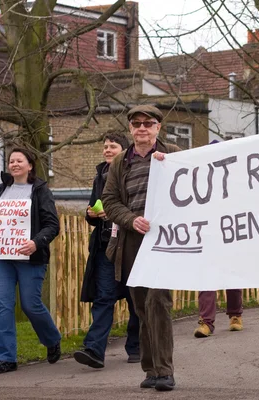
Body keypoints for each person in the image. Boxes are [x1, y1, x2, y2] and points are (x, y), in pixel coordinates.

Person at [102, 105, 180, 391]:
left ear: (158, 127)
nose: (142, 128)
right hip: (133, 241)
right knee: (141, 307)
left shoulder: (172, 153)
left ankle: (165, 370)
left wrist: (171, 166)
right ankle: (150, 370)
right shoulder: (121, 162)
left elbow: (194, 183)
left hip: (166, 239)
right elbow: (109, 201)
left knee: (158, 302)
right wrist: (131, 219)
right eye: (137, 124)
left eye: (148, 123)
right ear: (131, 129)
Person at [0, 148, 61, 374]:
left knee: (30, 305)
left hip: (30, 256)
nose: (14, 164)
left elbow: (52, 225)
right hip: (1, 257)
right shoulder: (2, 189)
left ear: (30, 165)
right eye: (11, 161)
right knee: (3, 306)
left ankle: (51, 339)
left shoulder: (40, 190)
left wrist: (36, 242)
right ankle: (6, 358)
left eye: (19, 160)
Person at [74, 132, 140, 369]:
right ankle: (94, 349)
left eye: (112, 146)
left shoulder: (134, 172)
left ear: (124, 150)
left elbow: (139, 205)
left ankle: (136, 346)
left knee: (136, 299)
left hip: (132, 245)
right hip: (106, 246)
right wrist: (90, 214)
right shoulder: (100, 175)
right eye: (105, 147)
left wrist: (113, 211)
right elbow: (93, 210)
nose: (107, 150)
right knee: (104, 297)